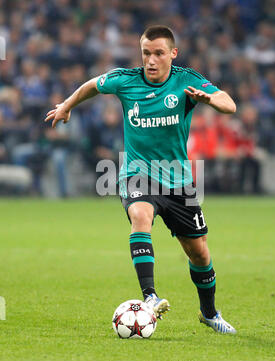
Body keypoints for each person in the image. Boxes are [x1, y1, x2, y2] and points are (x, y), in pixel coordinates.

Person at [45, 25, 237, 334]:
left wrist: (211, 99)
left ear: (172, 53)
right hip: (137, 174)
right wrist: (67, 105)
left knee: (199, 251)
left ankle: (209, 313)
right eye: (146, 53)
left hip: (179, 182)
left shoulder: (186, 80)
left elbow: (230, 103)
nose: (151, 60)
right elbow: (93, 85)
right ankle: (149, 296)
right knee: (140, 215)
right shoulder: (126, 80)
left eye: (159, 53)